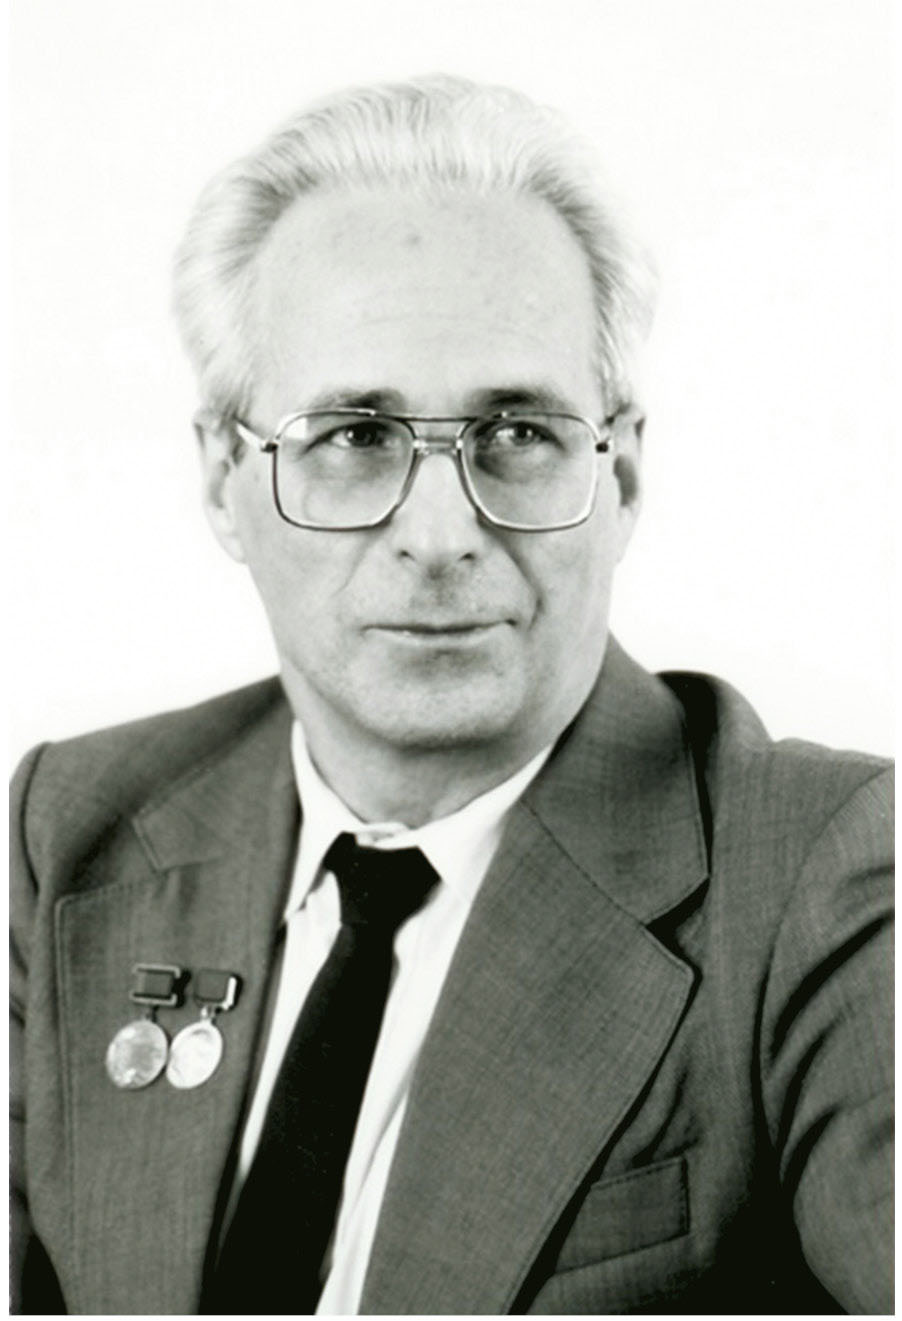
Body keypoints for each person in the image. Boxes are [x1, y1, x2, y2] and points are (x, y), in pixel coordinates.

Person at [9, 74, 892, 1316]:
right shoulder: (70, 830)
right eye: (353, 435)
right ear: (222, 482)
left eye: (517, 434)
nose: (438, 533)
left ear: (620, 478)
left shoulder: (824, 876)